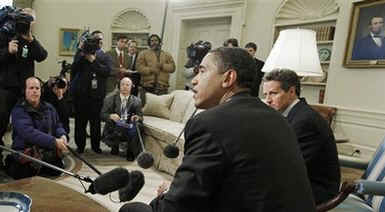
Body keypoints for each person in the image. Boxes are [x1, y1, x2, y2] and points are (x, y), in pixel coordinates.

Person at [119, 47, 316, 212]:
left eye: (202, 71)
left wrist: (164, 199)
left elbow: (178, 206)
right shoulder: (278, 118)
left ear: (228, 78)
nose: (194, 80)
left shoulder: (208, 123)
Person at [262, 69, 340, 204]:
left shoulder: (305, 121)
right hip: (301, 181)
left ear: (292, 91)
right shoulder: (293, 114)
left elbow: (290, 166)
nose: (268, 100)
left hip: (315, 189)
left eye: (273, 93)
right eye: (266, 94)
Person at [0, 8, 47, 166]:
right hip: (6, 88)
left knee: (25, 123)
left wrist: (31, 40)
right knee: (1, 122)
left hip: (25, 89)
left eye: (30, 20)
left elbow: (42, 56)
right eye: (25, 19)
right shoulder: (4, 34)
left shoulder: (30, 39)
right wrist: (7, 50)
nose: (27, 23)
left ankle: (21, 154)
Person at [4, 77, 68, 180]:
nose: (34, 91)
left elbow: (58, 125)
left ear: (41, 91)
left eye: (37, 88)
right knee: (23, 175)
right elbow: (29, 133)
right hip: (27, 153)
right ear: (25, 91)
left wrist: (62, 135)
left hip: (46, 152)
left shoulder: (49, 107)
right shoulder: (18, 110)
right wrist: (54, 141)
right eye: (31, 88)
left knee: (56, 170)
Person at [71, 30, 112, 154]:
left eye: (99, 40)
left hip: (96, 96)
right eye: (94, 40)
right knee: (80, 123)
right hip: (81, 96)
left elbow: (106, 72)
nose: (97, 42)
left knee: (95, 123)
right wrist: (80, 51)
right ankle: (80, 146)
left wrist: (93, 61)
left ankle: (95, 146)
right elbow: (74, 69)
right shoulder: (81, 54)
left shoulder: (105, 56)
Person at [100, 77, 143, 161]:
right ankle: (114, 145)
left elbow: (140, 117)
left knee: (136, 127)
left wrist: (137, 117)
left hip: (129, 126)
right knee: (119, 125)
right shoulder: (110, 98)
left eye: (127, 85)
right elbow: (102, 114)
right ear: (119, 86)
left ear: (131, 87)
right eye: (122, 84)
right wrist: (111, 116)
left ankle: (130, 152)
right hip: (115, 125)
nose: (125, 87)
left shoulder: (136, 101)